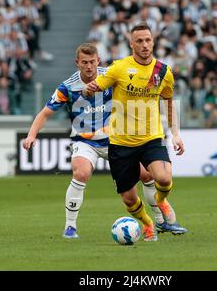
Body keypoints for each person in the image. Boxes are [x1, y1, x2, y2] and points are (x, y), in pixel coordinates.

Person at [22, 43, 179, 239]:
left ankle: (159, 219)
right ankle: (70, 227)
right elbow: (45, 113)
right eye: (84, 63)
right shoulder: (68, 86)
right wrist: (31, 134)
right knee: (81, 172)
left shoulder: (111, 75)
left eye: (92, 62)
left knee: (147, 175)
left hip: (117, 140)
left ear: (98, 61)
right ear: (77, 63)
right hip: (85, 141)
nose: (89, 67)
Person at [84, 23, 187, 241]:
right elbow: (94, 88)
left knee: (164, 179)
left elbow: (168, 102)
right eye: (139, 41)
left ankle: (160, 201)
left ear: (153, 42)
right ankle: (148, 223)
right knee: (129, 199)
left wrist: (176, 133)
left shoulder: (163, 72)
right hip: (121, 143)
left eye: (148, 40)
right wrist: (88, 89)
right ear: (132, 44)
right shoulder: (119, 68)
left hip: (151, 137)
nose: (144, 44)